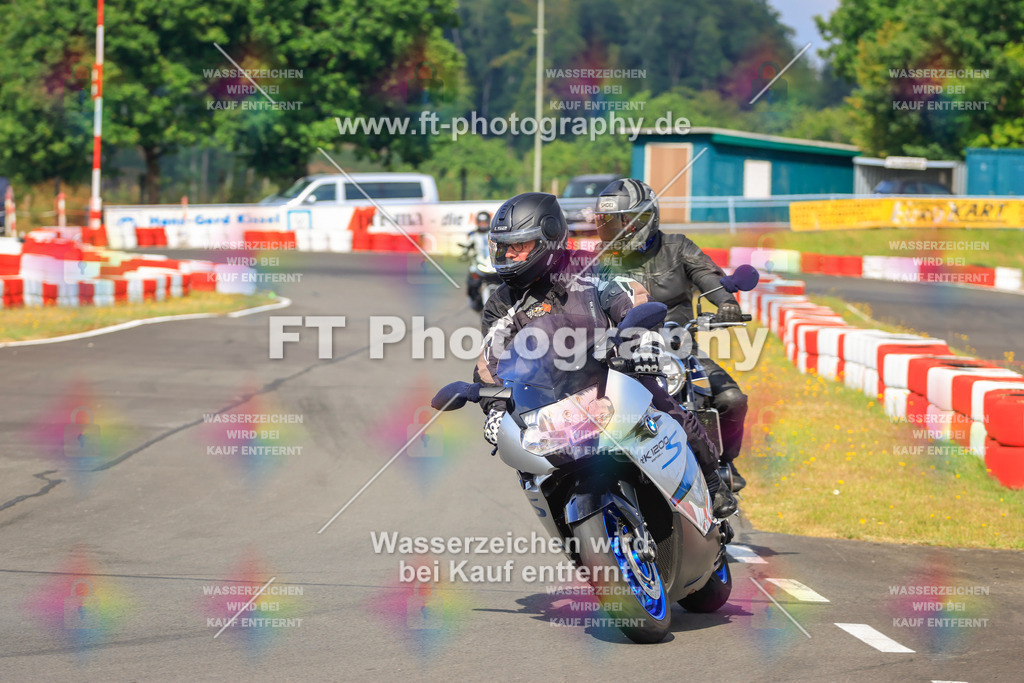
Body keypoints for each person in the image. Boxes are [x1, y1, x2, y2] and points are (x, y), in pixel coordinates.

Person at [472, 191, 737, 518]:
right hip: (552, 399)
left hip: (613, 374)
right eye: (503, 247)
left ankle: (711, 479)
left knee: (665, 402)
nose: (509, 255)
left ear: (549, 239)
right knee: (526, 458)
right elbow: (490, 362)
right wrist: (495, 408)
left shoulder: (589, 268)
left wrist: (643, 342)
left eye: (519, 246)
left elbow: (630, 298)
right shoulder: (501, 302)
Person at [593, 178, 751, 492]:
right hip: (628, 354)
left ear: (643, 218)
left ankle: (724, 461)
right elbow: (583, 297)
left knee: (732, 399)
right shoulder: (601, 260)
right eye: (607, 223)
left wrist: (727, 304)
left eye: (621, 222)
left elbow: (709, 277)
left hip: (680, 351)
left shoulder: (678, 247)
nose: (613, 230)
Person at [465, 211, 493, 312]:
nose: (483, 224)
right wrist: (465, 252)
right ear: (477, 222)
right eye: (481, 222)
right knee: (472, 282)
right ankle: (475, 301)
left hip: (493, 265)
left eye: (485, 222)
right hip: (479, 264)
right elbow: (467, 246)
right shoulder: (472, 234)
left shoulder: (494, 233)